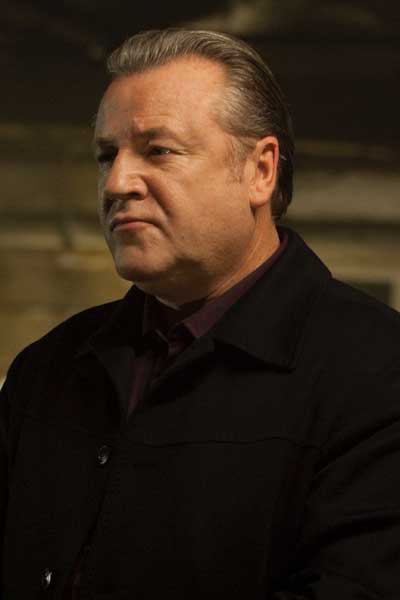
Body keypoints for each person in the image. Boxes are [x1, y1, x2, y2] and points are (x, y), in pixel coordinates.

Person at [1, 28, 400, 600]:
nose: (117, 183)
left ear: (260, 171)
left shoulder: (377, 370)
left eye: (158, 150)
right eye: (107, 155)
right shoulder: (48, 367)